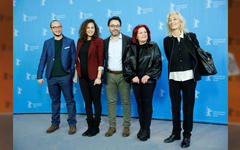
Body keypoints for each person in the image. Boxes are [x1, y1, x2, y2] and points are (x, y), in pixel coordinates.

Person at [163, 12, 202, 148]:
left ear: (180, 21)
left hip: (189, 78)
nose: (172, 21)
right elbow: (169, 57)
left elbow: (197, 54)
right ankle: (175, 133)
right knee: (175, 107)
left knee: (188, 107)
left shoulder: (191, 37)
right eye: (170, 19)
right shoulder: (167, 40)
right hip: (173, 78)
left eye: (175, 19)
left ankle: (187, 135)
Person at [37, 20, 77, 135]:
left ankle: (72, 124)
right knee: (55, 101)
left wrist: (72, 74)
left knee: (70, 101)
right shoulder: (47, 43)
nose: (57, 29)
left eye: (59, 27)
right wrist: (39, 75)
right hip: (51, 78)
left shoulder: (70, 42)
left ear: (62, 28)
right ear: (51, 29)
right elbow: (43, 59)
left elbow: (74, 60)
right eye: (54, 27)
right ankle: (55, 124)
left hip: (65, 77)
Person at [123, 24, 162, 141]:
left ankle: (146, 129)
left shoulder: (153, 46)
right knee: (139, 104)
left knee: (147, 104)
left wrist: (148, 75)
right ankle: (142, 127)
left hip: (148, 81)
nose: (143, 34)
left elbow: (158, 63)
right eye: (140, 32)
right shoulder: (131, 47)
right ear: (136, 35)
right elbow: (126, 64)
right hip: (135, 81)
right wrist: (132, 76)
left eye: (145, 32)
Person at [73, 19, 104, 136]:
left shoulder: (99, 41)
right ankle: (89, 126)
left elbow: (101, 61)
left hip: (94, 77)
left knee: (96, 102)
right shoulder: (80, 41)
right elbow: (77, 60)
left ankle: (96, 126)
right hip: (83, 78)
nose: (90, 30)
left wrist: (98, 77)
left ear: (95, 29)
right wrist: (76, 76)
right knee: (87, 102)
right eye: (88, 28)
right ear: (84, 29)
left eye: (92, 27)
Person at [103, 16, 132, 137]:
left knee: (126, 101)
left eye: (117, 25)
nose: (115, 28)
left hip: (124, 75)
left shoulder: (128, 40)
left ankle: (126, 127)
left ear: (120, 26)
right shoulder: (104, 42)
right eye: (112, 25)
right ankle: (112, 126)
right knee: (111, 101)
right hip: (109, 75)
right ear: (109, 27)